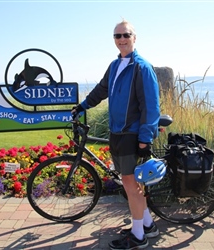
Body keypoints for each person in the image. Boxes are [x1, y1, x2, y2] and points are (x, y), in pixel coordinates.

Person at [72, 19, 160, 250]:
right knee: (131, 184)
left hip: (131, 134)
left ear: (134, 38)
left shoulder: (142, 67)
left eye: (126, 35)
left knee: (131, 185)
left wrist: (145, 138)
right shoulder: (114, 65)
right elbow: (101, 90)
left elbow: (151, 107)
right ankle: (148, 225)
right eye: (117, 36)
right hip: (117, 132)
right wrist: (82, 106)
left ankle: (138, 236)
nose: (121, 39)